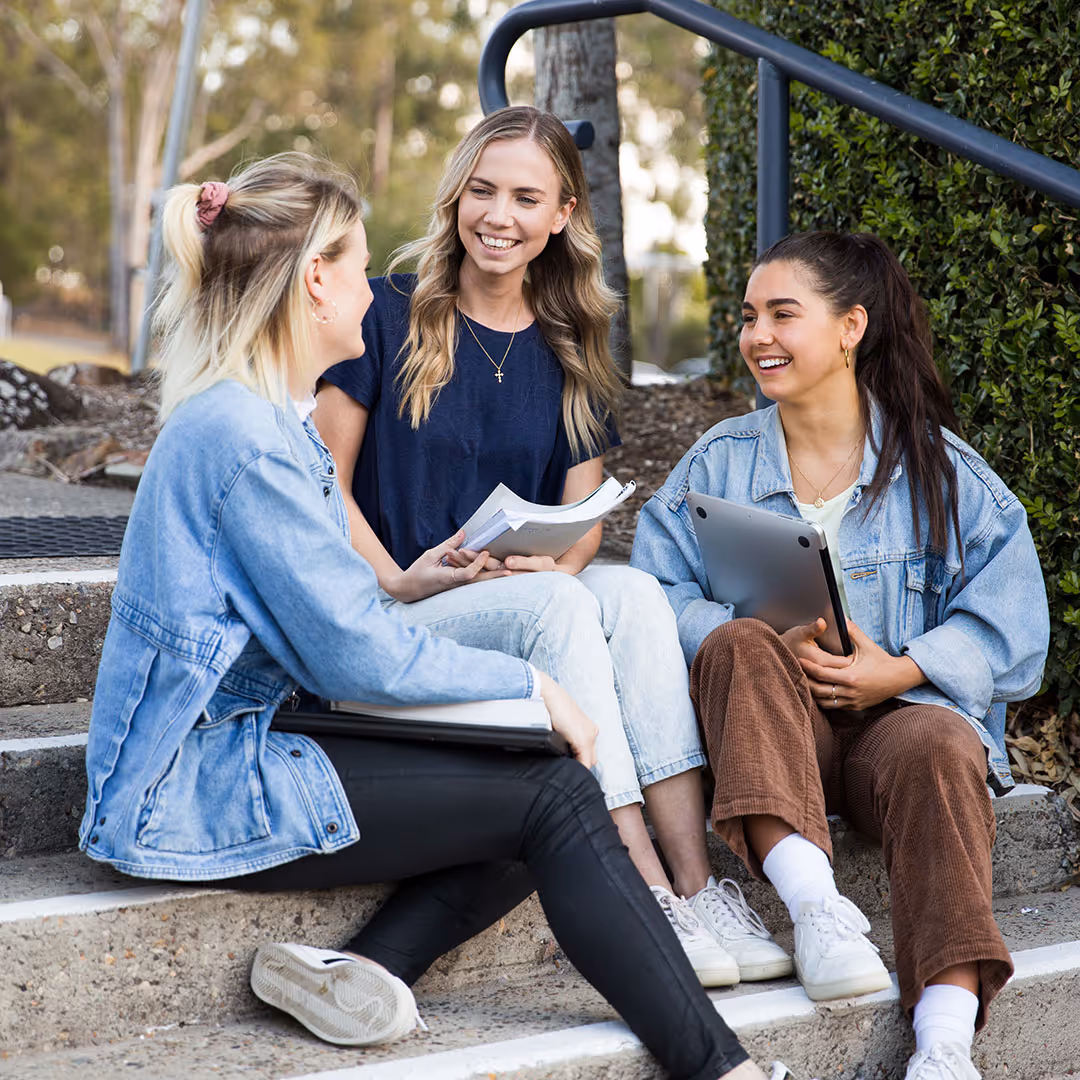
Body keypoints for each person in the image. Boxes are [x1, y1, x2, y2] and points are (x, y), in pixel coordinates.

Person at [75, 151, 790, 1080]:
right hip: (191, 782)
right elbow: (351, 658)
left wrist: (411, 584)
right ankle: (720, 1069)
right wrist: (532, 685)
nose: (377, 297)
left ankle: (365, 968)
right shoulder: (244, 437)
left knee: (543, 774)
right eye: (360, 268)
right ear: (314, 281)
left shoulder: (260, 419)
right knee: (558, 786)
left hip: (260, 729)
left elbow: (326, 606)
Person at [313, 105, 790, 987]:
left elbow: (584, 515)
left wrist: (551, 560)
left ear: (563, 212)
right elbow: (324, 482)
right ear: (456, 196)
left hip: (512, 595)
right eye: (482, 190)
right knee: (567, 603)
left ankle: (697, 883)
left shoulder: (574, 341)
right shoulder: (387, 313)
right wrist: (397, 578)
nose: (499, 215)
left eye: (526, 197)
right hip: (396, 606)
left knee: (634, 595)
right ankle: (640, 883)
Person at [630, 231, 1050, 1080]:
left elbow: (1016, 631)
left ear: (852, 326)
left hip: (893, 736)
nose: (759, 337)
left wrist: (900, 668)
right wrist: (754, 643)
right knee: (739, 640)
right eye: (749, 317)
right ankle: (818, 912)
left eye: (784, 314)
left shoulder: (943, 472)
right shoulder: (719, 464)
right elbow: (651, 597)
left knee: (939, 740)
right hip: (767, 739)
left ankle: (942, 1042)